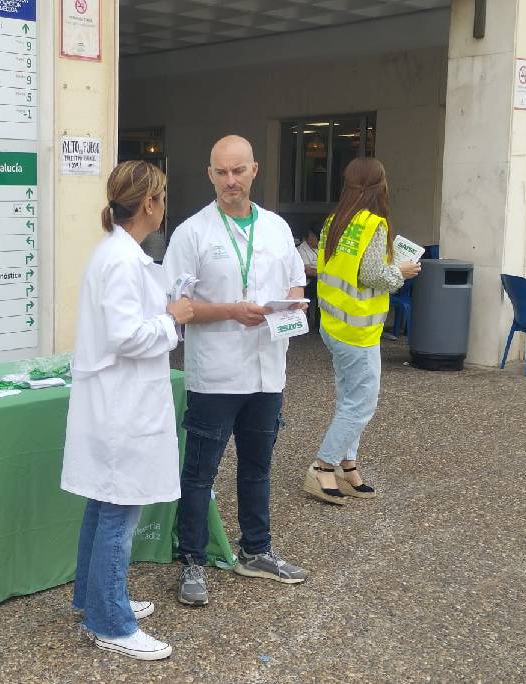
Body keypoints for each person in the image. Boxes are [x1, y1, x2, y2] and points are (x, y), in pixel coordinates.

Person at [162, 134, 309, 607]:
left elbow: (294, 284)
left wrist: (288, 307)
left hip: (268, 368)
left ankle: (256, 550)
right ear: (210, 175)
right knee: (200, 471)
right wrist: (230, 310)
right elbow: (176, 305)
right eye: (222, 172)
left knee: (257, 467)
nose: (231, 181)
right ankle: (191, 558)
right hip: (217, 372)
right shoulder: (192, 233)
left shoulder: (277, 229)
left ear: (254, 171)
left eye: (238, 171)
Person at [61, 160, 193, 661]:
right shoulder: (120, 259)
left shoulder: (120, 254)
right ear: (150, 203)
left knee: (104, 504)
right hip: (122, 409)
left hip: (119, 403)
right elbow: (125, 335)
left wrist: (161, 314)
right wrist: (171, 319)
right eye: (162, 197)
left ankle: (95, 599)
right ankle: (110, 622)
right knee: (119, 512)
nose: (164, 206)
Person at [304, 158, 420, 505]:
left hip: (334, 324)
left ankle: (347, 465)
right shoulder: (375, 224)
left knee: (349, 399)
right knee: (361, 404)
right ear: (380, 185)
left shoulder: (335, 221)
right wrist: (401, 271)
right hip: (359, 330)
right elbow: (373, 275)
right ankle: (323, 467)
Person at [297, 227, 320, 325]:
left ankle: (319, 323)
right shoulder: (302, 248)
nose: (313, 239)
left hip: (319, 278)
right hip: (307, 281)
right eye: (311, 236)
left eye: (315, 237)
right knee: (319, 287)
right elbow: (308, 271)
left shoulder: (321, 247)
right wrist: (324, 274)